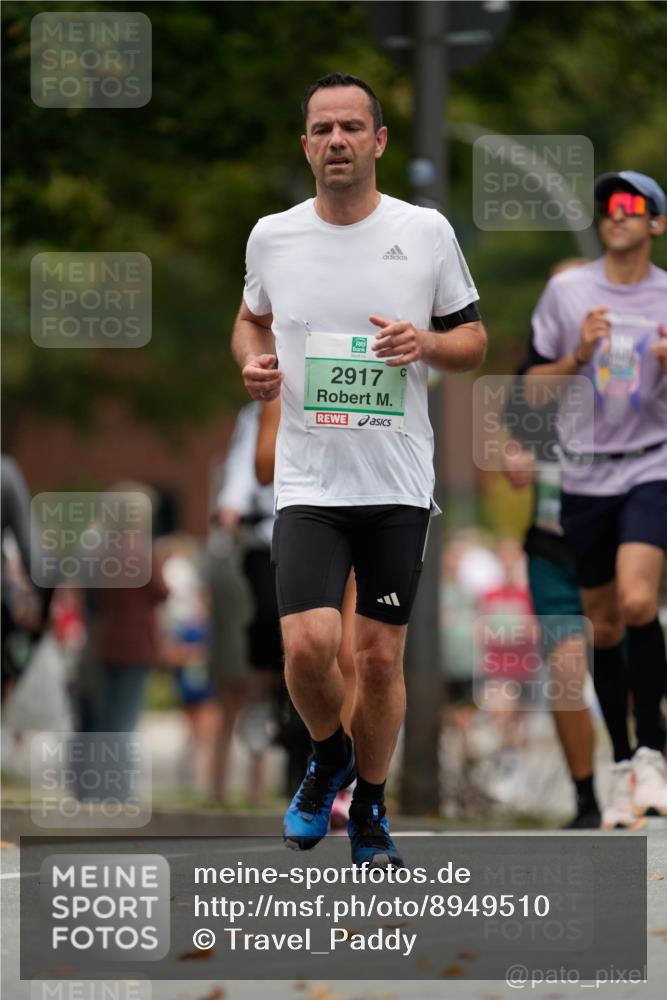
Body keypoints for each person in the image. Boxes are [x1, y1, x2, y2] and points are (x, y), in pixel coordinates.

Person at [232, 72, 486, 867]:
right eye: (321, 129)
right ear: (305, 145)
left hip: (396, 483)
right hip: (309, 480)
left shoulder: (426, 231)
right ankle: (329, 756)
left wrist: (426, 344)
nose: (335, 140)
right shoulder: (272, 235)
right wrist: (253, 364)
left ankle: (369, 805)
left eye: (351, 127)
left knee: (377, 658)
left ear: (378, 141)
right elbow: (249, 319)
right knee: (308, 647)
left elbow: (473, 343)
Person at [524, 170, 667, 826]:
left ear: (654, 224)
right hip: (581, 477)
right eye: (609, 205)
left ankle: (652, 755)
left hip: (649, 464)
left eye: (632, 207)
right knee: (603, 625)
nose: (617, 215)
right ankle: (618, 767)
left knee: (638, 600)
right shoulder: (566, 291)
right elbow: (529, 390)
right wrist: (577, 353)